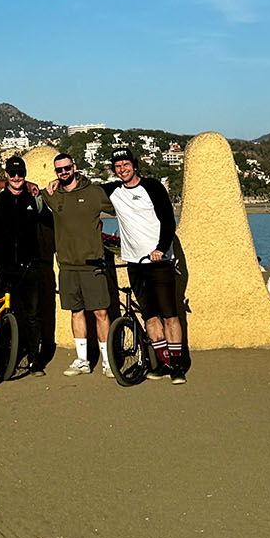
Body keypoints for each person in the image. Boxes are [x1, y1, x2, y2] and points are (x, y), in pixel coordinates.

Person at [102, 149, 187, 383]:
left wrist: (161, 248)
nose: (122, 169)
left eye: (126, 164)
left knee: (169, 315)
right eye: (118, 166)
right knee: (150, 316)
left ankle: (177, 366)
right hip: (134, 263)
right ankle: (162, 362)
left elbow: (168, 220)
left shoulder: (152, 187)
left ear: (134, 165)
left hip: (159, 262)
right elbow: (84, 192)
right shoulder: (114, 190)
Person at [43, 152, 117, 377]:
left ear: (74, 167)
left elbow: (121, 209)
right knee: (76, 312)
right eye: (59, 170)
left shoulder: (94, 193)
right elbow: (27, 189)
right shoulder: (53, 195)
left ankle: (107, 361)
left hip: (92, 263)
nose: (63, 172)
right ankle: (82, 360)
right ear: (55, 172)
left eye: (67, 168)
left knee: (101, 312)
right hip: (67, 265)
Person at [0, 155, 50, 375]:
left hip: (30, 267)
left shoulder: (34, 199)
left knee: (33, 315)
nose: (17, 177)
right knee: (1, 316)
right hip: (2, 267)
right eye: (13, 174)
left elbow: (55, 220)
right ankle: (2, 360)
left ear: (25, 175)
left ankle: (35, 361)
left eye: (21, 174)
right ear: (6, 175)